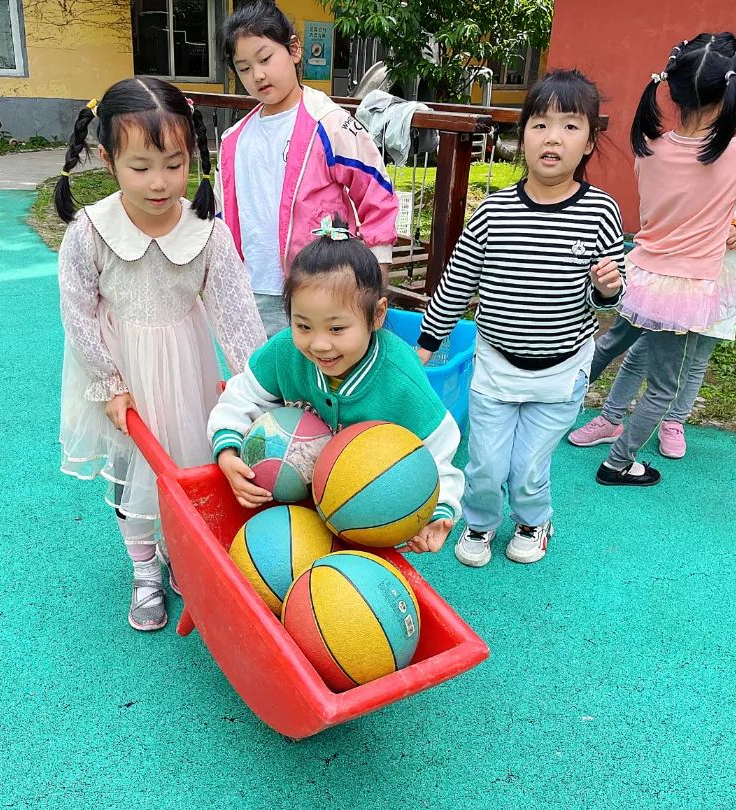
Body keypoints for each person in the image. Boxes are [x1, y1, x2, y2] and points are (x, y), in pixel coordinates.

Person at [55, 77, 266, 630]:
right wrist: (108, 383)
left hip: (187, 366)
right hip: (123, 371)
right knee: (133, 474)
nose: (159, 182)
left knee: (191, 466)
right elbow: (76, 312)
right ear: (108, 159)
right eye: (141, 166)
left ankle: (182, 555)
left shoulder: (206, 232)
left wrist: (258, 384)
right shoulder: (90, 231)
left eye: (174, 164)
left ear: (191, 156)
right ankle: (144, 568)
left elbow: (236, 312)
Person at [417, 69, 625, 567]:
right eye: (540, 124)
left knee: (529, 465)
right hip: (495, 366)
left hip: (561, 369)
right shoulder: (494, 213)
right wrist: (425, 345)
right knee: (487, 463)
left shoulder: (600, 213)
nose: (553, 137)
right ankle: (481, 522)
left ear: (590, 141)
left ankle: (534, 520)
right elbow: (457, 284)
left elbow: (608, 301)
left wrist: (606, 290)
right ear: (522, 135)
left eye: (570, 126)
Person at [569, 64, 736, 459]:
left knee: (693, 360)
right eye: (735, 106)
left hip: (715, 283)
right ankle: (613, 421)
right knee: (640, 355)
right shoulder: (731, 154)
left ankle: (674, 421)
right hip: (678, 279)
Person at [208, 217, 462, 554]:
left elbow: (439, 450)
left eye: (337, 328)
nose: (319, 345)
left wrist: (439, 509)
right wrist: (227, 451)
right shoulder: (284, 352)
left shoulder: (401, 377)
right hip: (294, 499)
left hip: (365, 509)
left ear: (377, 315)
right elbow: (241, 397)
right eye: (303, 325)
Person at [217, 0, 398, 336]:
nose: (257, 75)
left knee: (318, 385)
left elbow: (377, 198)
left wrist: (374, 285)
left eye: (266, 58)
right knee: (257, 384)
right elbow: (222, 218)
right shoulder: (233, 141)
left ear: (294, 49)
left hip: (320, 293)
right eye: (243, 68)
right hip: (250, 295)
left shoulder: (329, 125)